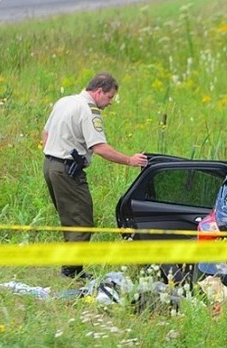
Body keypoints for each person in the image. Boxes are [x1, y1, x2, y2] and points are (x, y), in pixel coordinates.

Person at [42, 72, 148, 280]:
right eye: (109, 98)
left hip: (50, 164)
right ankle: (71, 271)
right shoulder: (89, 110)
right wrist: (129, 160)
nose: (109, 103)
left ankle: (71, 265)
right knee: (81, 219)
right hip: (67, 170)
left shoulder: (64, 101)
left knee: (70, 217)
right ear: (99, 91)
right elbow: (99, 147)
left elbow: (45, 133)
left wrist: (55, 151)